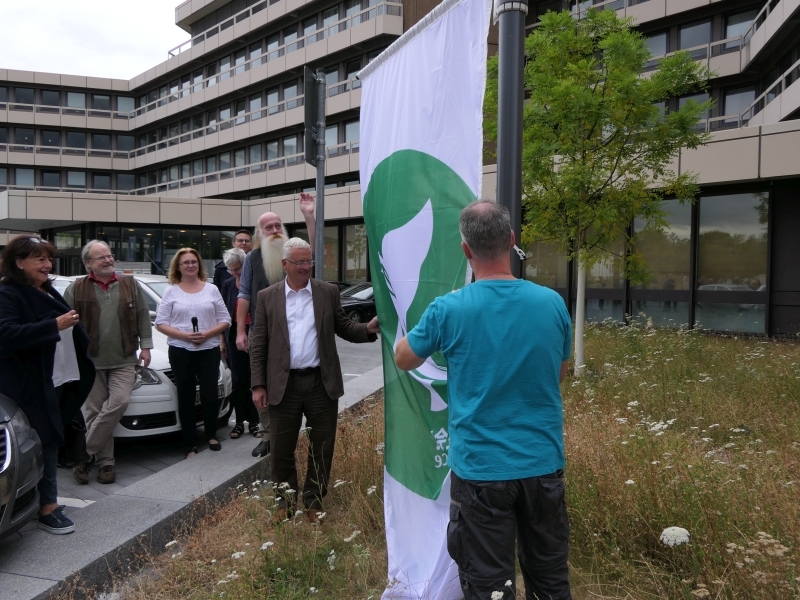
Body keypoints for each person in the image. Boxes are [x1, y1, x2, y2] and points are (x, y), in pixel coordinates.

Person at [395, 200, 573, 600]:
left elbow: (404, 358)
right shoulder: (552, 303)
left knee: (489, 586)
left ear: (465, 249)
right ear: (511, 240)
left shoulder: (448, 309)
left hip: (480, 472)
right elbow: (557, 376)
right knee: (550, 580)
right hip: (543, 465)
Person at [249, 238, 379, 522]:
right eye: (299, 262)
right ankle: (284, 503)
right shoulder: (268, 297)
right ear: (285, 264)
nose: (305, 267)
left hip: (321, 383)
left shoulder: (327, 292)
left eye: (309, 261)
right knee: (281, 449)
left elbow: (344, 326)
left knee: (322, 446)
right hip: (283, 385)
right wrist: (258, 384)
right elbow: (258, 344)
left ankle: (313, 502)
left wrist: (368, 329)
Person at [0, 236, 96, 535]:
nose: (47, 264)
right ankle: (48, 507)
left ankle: (42, 502)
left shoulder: (45, 288)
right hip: (29, 384)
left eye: (49, 258)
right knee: (45, 440)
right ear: (19, 262)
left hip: (59, 377)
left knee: (53, 436)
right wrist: (54, 325)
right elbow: (6, 334)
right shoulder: (8, 293)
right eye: (40, 259)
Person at [63, 240, 154, 485]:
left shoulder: (130, 284)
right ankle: (106, 464)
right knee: (95, 412)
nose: (108, 260)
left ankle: (82, 454)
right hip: (90, 360)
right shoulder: (76, 288)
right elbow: (65, 323)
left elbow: (143, 316)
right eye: (101, 257)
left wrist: (146, 346)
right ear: (88, 263)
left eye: (109, 255)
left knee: (119, 402)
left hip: (124, 358)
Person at [237, 193, 316, 458]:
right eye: (268, 227)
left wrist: (309, 216)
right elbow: (244, 295)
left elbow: (312, 251)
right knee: (260, 383)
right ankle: (268, 435)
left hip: (295, 331)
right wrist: (240, 330)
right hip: (261, 332)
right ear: (260, 233)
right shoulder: (252, 258)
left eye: (277, 225)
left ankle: (294, 432)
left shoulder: (293, 255)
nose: (274, 230)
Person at [155, 248, 231, 458]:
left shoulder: (212, 289)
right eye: (185, 262)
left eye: (194, 262)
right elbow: (161, 323)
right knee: (186, 394)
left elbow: (225, 319)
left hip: (208, 349)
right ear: (178, 267)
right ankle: (189, 443)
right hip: (181, 350)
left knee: (209, 393)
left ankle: (211, 434)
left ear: (199, 265)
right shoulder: (171, 291)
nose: (190, 265)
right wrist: (185, 336)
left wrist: (208, 334)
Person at [219, 248, 259, 438]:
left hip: (254, 332)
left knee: (254, 379)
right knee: (237, 380)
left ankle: (254, 422)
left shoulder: (254, 282)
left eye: (238, 269)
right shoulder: (227, 285)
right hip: (234, 333)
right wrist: (222, 341)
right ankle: (239, 422)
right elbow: (222, 314)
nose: (235, 273)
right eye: (231, 270)